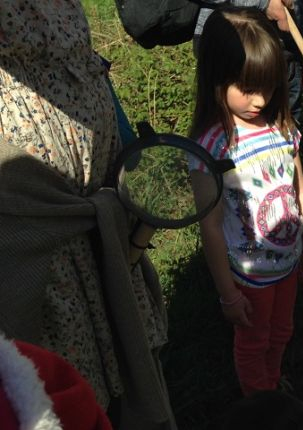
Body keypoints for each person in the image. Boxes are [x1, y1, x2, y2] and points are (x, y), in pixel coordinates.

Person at [0, 2, 174, 429]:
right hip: (40, 263)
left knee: (124, 383)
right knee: (59, 395)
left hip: (104, 240)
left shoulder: (65, 16)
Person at [190, 7, 303, 396]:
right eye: (247, 88)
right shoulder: (212, 147)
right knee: (252, 342)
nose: (260, 100)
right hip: (249, 276)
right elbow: (209, 224)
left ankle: (272, 384)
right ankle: (262, 407)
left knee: (282, 332)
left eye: (268, 86)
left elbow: (301, 190)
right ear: (217, 77)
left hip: (288, 263)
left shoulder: (281, 127)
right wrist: (228, 292)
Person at [194, 0, 303, 120]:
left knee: (284, 134)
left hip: (286, 53)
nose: (260, 101)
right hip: (234, 49)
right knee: (226, 137)